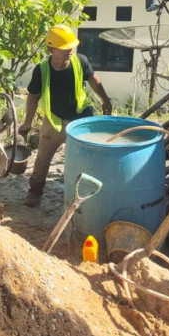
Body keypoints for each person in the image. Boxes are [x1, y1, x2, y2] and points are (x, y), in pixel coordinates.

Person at [18, 24, 112, 207]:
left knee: (90, 157)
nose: (70, 50)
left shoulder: (81, 61)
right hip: (55, 121)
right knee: (43, 158)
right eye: (65, 47)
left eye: (72, 46)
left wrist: (106, 100)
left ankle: (91, 195)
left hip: (81, 119)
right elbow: (33, 97)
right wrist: (27, 123)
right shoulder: (42, 70)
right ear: (51, 49)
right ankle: (35, 192)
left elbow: (95, 82)